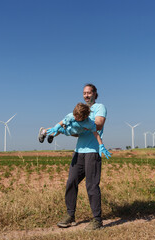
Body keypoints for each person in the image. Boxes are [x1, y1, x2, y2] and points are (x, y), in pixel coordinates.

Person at [56, 83, 108, 231]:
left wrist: (82, 122)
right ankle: (70, 216)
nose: (86, 95)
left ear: (95, 94)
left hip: (93, 151)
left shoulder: (99, 108)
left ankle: (97, 220)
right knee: (71, 182)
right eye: (84, 93)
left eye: (89, 93)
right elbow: (77, 133)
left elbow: (98, 124)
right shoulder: (80, 112)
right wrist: (69, 128)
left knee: (91, 186)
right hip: (79, 151)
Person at [38, 102, 111, 159]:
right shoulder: (71, 116)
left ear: (84, 117)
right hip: (67, 127)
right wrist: (56, 127)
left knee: (58, 132)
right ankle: (43, 131)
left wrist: (101, 145)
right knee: (57, 130)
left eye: (77, 117)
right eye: (74, 115)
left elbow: (96, 133)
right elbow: (62, 122)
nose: (75, 117)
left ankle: (51, 135)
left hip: (72, 132)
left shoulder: (89, 123)